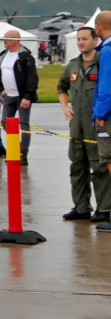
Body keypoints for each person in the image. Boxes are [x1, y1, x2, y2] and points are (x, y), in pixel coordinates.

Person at [58, 27, 107, 221]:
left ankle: (104, 209)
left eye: (85, 39)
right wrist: (64, 106)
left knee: (100, 168)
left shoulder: (103, 63)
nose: (80, 42)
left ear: (95, 40)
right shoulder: (73, 65)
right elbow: (62, 86)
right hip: (76, 127)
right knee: (77, 166)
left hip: (97, 126)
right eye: (78, 39)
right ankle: (81, 207)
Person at [0, 28, 38, 167]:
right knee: (4, 123)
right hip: (8, 97)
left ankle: (23, 154)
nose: (4, 41)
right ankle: (15, 149)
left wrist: (27, 96)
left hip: (22, 98)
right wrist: (1, 89)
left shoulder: (26, 57)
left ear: (15, 40)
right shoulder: (3, 55)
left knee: (24, 126)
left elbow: (32, 78)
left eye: (7, 38)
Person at [91, 12, 111, 232]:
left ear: (98, 27)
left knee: (110, 161)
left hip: (109, 117)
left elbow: (106, 87)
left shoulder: (107, 51)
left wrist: (100, 113)